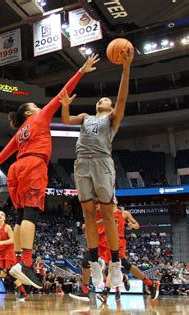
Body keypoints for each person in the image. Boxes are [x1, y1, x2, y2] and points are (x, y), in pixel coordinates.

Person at [0, 54, 100, 288]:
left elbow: (3, 155)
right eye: (36, 107)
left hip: (16, 169)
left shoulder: (19, 133)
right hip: (33, 165)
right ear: (29, 113)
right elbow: (62, 95)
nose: (40, 108)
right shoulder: (39, 118)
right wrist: (81, 70)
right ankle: (26, 263)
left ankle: (18, 261)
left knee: (19, 217)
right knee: (31, 214)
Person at [61, 46, 134, 288]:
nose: (103, 99)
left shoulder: (112, 119)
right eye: (101, 99)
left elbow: (122, 98)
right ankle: (94, 264)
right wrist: (65, 104)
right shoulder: (85, 117)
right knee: (88, 215)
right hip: (81, 163)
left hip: (102, 162)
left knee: (107, 214)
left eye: (107, 100)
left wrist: (126, 67)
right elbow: (65, 120)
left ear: (111, 108)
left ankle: (115, 264)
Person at [95, 202, 160, 303]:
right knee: (103, 268)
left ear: (116, 201)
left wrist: (132, 225)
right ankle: (125, 279)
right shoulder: (105, 214)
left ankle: (105, 293)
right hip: (105, 242)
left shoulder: (124, 213)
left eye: (113, 198)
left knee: (116, 266)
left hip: (118, 242)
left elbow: (137, 225)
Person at [0, 211, 28, 301]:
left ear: (4, 218)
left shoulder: (7, 227)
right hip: (0, 253)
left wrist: (2, 242)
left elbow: (13, 240)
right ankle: (12, 276)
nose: (0, 216)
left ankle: (23, 293)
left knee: (9, 271)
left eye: (2, 214)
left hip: (8, 251)